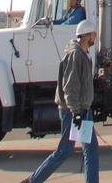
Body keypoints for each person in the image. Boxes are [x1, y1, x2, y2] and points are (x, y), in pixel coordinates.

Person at [21, 18, 99, 183]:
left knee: (91, 150)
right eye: (93, 34)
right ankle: (33, 180)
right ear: (87, 36)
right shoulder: (76, 54)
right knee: (64, 150)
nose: (95, 36)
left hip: (83, 110)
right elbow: (70, 86)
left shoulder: (84, 54)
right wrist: (76, 112)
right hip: (73, 111)